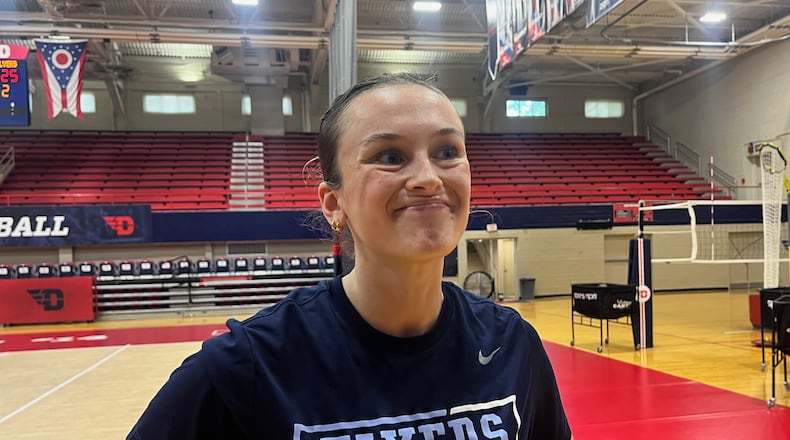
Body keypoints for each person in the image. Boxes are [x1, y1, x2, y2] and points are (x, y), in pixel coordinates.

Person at [127, 72, 572, 439]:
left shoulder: (512, 343)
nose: (427, 177)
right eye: (390, 156)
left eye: (447, 152)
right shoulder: (249, 365)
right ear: (333, 203)